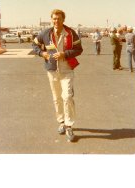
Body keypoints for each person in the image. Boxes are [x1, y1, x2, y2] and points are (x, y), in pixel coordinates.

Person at [32, 9, 83, 143]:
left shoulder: (71, 33)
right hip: (52, 71)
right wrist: (41, 53)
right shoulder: (46, 33)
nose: (56, 21)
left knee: (67, 97)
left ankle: (69, 125)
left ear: (63, 20)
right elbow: (34, 44)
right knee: (56, 98)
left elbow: (79, 49)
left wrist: (64, 54)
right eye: (54, 18)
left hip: (67, 70)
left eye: (59, 19)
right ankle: (61, 122)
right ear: (51, 19)